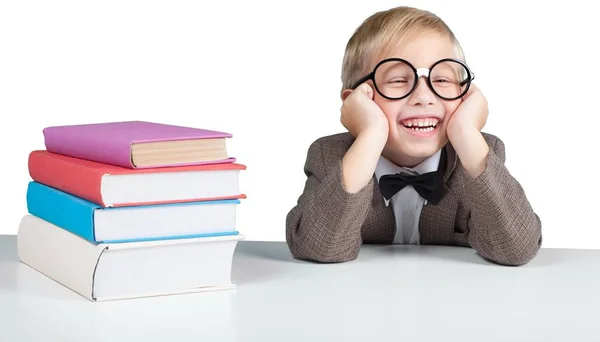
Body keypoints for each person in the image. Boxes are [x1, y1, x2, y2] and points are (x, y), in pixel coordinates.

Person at [285, 6, 542, 266]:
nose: (423, 98)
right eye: (397, 80)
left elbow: (516, 249)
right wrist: (371, 133)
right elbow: (319, 248)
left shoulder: (477, 153)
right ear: (358, 102)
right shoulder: (331, 155)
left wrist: (465, 132)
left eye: (441, 80)